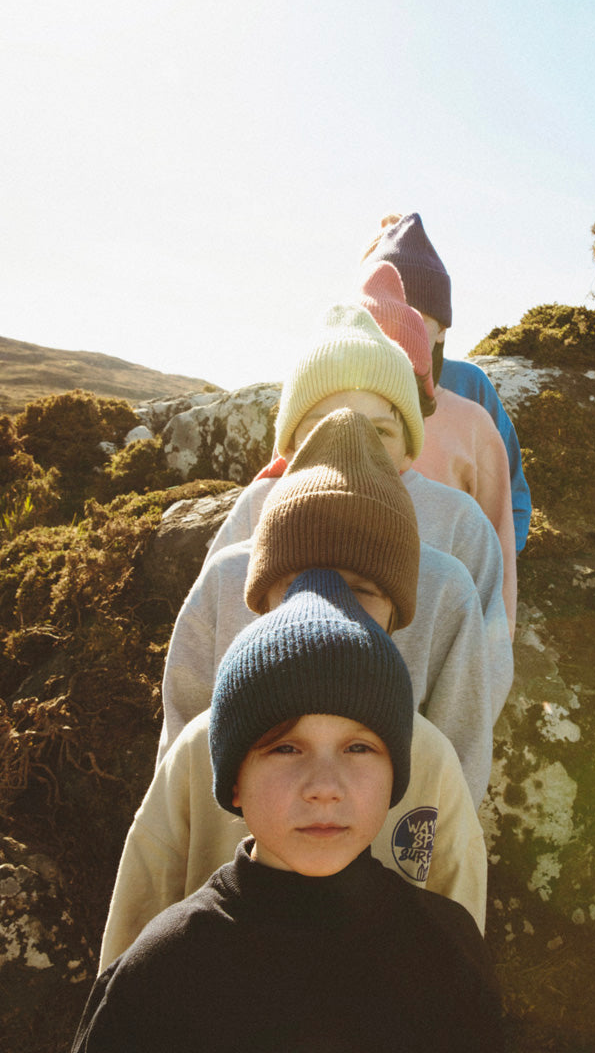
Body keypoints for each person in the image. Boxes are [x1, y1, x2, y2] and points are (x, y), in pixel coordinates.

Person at [76, 571, 505, 1052]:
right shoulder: (163, 968)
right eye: (285, 749)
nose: (324, 787)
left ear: (396, 778)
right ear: (234, 780)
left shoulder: (445, 949)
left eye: (359, 748)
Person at [158, 408, 496, 803]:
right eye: (295, 584)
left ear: (398, 610)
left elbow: (456, 808)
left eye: (360, 589)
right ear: (260, 599)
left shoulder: (431, 754)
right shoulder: (199, 741)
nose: (326, 605)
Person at [206, 299, 516, 642]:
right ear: (289, 447)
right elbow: (205, 642)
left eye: (380, 431)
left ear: (409, 451)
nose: (352, 440)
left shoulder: (459, 520)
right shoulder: (257, 505)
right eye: (321, 425)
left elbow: (485, 653)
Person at [362, 210, 532, 553]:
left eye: (416, 319)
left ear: (442, 329)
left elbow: (511, 495)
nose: (400, 332)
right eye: (387, 317)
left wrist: (490, 574)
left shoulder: (470, 388)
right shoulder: (343, 388)